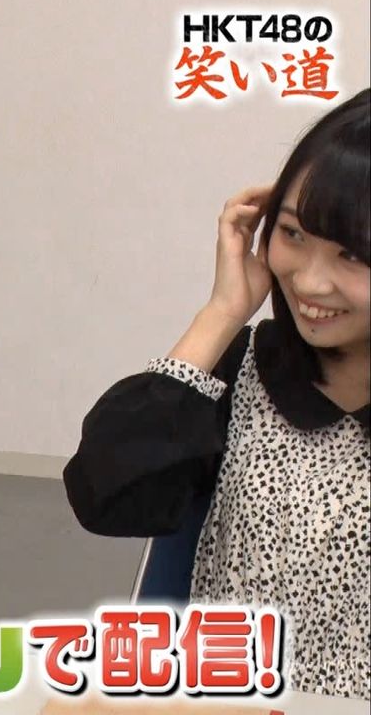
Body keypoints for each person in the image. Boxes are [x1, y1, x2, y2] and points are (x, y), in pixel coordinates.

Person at [63, 88, 369, 698]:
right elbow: (106, 495)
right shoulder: (251, 370)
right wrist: (222, 313)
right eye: (293, 233)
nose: (310, 281)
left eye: (353, 255)